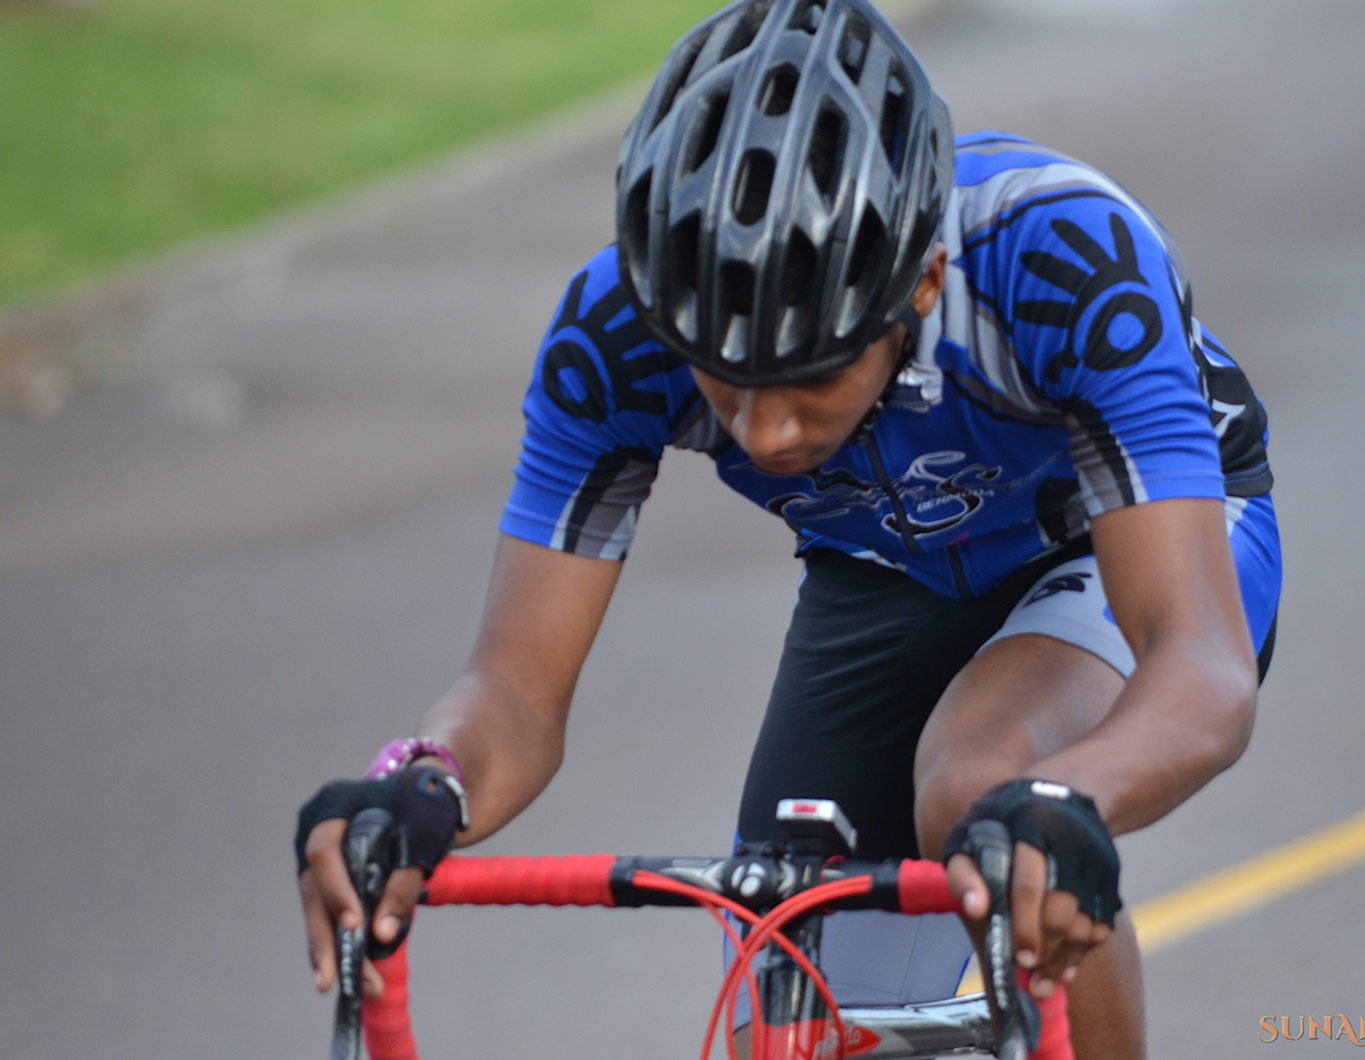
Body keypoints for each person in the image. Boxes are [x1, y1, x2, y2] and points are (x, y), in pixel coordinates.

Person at [295, 1, 1281, 1057]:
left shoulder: (1062, 257)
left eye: (809, 377)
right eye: (723, 378)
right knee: (786, 1001)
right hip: (886, 560)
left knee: (984, 790)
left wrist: (1064, 803)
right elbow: (516, 690)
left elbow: (1199, 661)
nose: (764, 433)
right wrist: (422, 781)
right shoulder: (614, 334)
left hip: (1117, 531)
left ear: (922, 285)